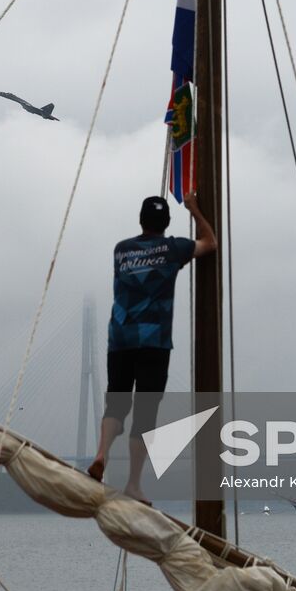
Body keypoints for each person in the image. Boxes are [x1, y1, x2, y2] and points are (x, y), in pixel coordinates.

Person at [87, 192, 216, 503]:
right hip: (154, 341)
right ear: (167, 223)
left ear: (141, 221)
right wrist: (196, 210)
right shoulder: (174, 249)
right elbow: (210, 242)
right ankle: (133, 483)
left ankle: (101, 454)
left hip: (120, 338)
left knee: (116, 404)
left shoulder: (121, 250)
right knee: (145, 414)